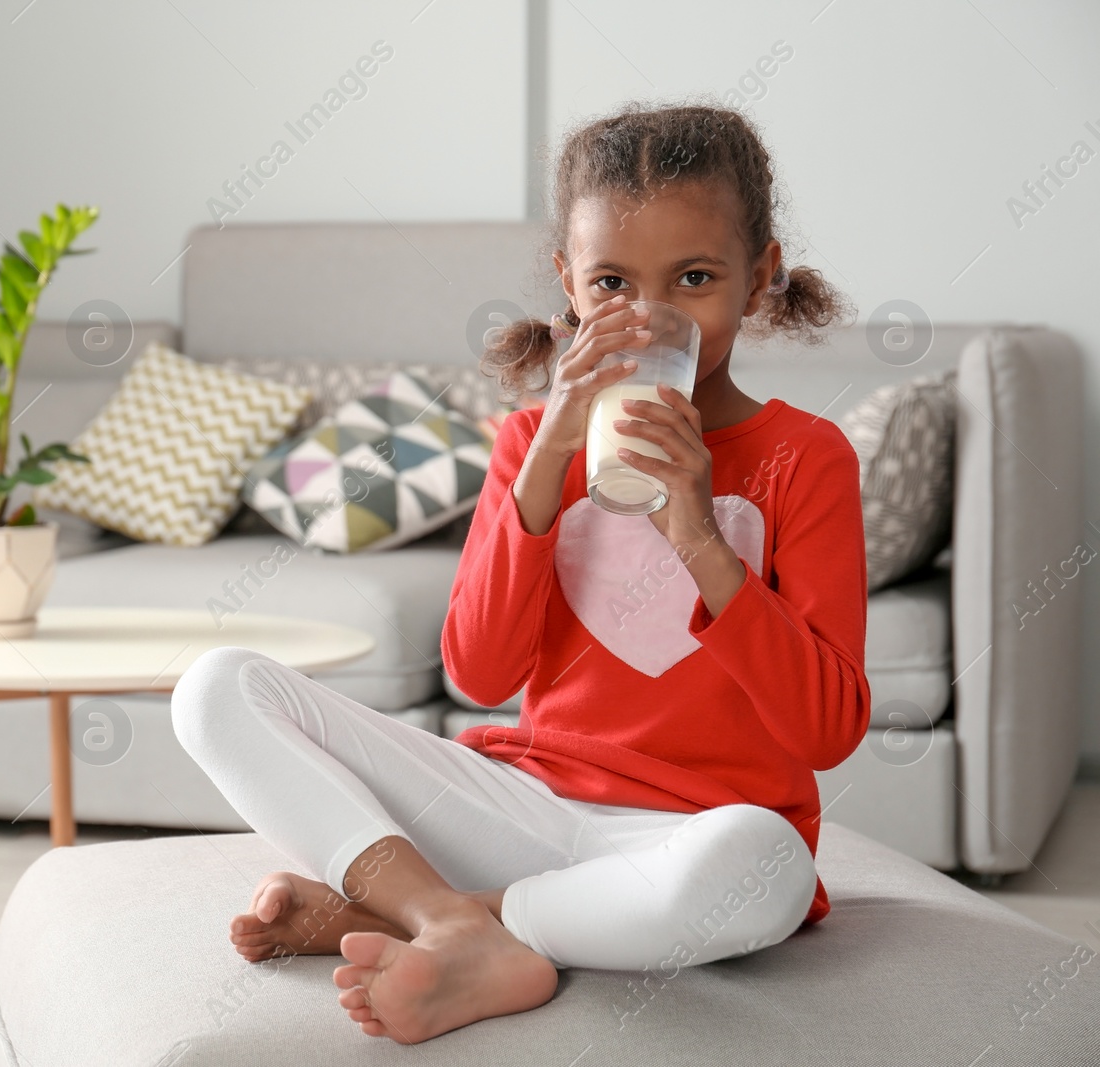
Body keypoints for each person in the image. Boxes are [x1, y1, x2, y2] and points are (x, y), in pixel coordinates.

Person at [171, 100, 869, 1045]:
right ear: (569, 286)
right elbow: (480, 674)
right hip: (526, 804)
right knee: (217, 688)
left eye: (696, 278)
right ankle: (448, 920)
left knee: (768, 866)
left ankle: (449, 917)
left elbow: (826, 730)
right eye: (613, 281)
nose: (651, 315)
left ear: (760, 279)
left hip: (694, 829)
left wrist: (703, 539)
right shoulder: (528, 445)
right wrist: (549, 453)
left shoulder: (806, 456)